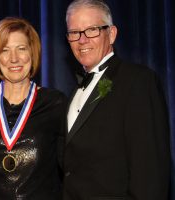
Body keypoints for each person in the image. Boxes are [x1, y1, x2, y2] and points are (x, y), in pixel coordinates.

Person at [63, 0, 170, 199]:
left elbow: (150, 172)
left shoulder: (138, 81)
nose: (82, 40)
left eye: (92, 30)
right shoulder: (73, 92)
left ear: (111, 34)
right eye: (74, 32)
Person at [0, 17, 66, 200]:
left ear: (32, 53)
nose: (14, 58)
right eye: (5, 50)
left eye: (21, 49)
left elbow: (72, 166)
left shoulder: (55, 103)